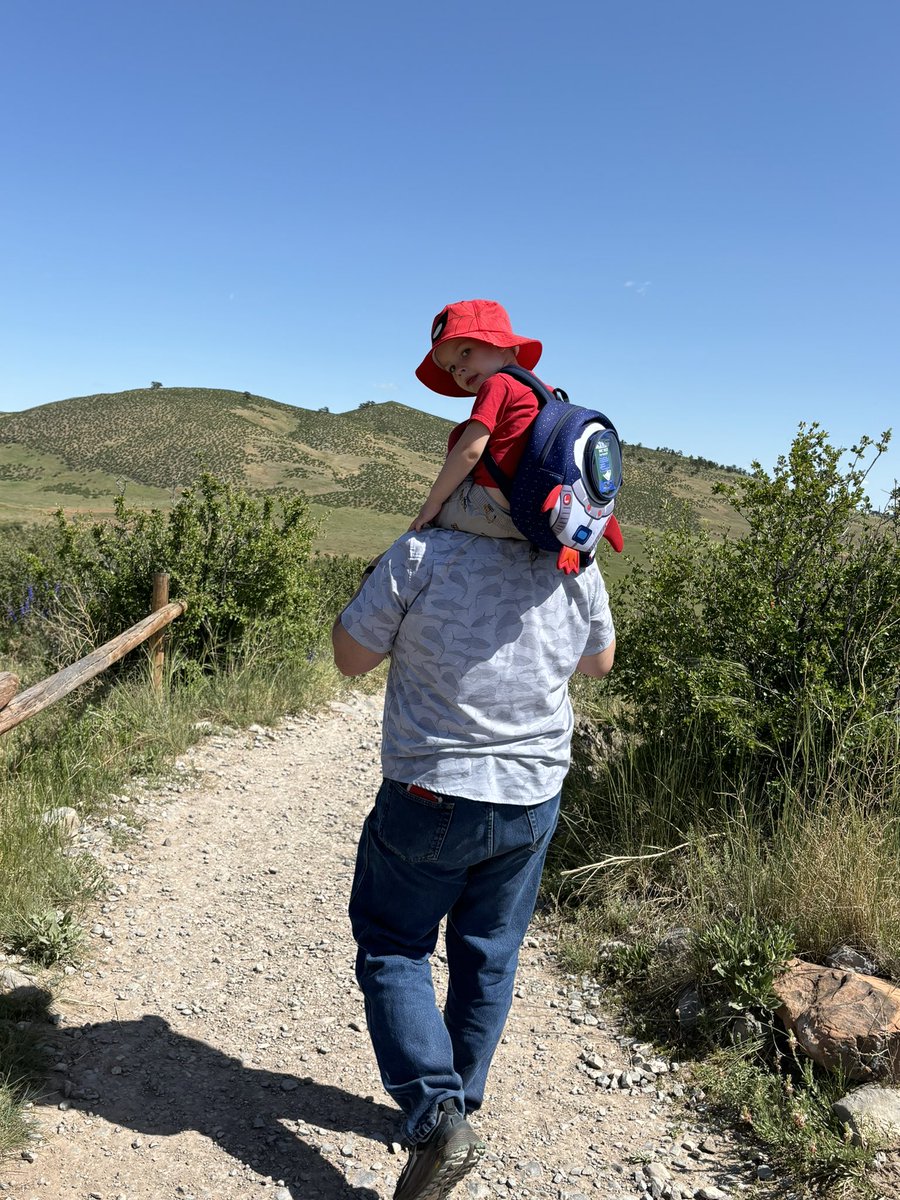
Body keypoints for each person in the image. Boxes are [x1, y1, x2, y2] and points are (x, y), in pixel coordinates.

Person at [332, 527, 615, 1200]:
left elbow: (350, 657)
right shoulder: (574, 561)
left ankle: (438, 1117)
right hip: (531, 800)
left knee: (394, 947)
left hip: (431, 791)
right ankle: (461, 1103)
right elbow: (598, 663)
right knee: (489, 952)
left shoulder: (423, 555)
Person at [409, 298, 547, 539]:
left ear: (504, 345)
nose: (459, 369)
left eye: (465, 352)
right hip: (536, 515)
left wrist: (432, 503)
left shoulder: (498, 383)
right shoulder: (546, 393)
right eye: (451, 368)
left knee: (421, 529)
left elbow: (470, 451)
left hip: (495, 510)